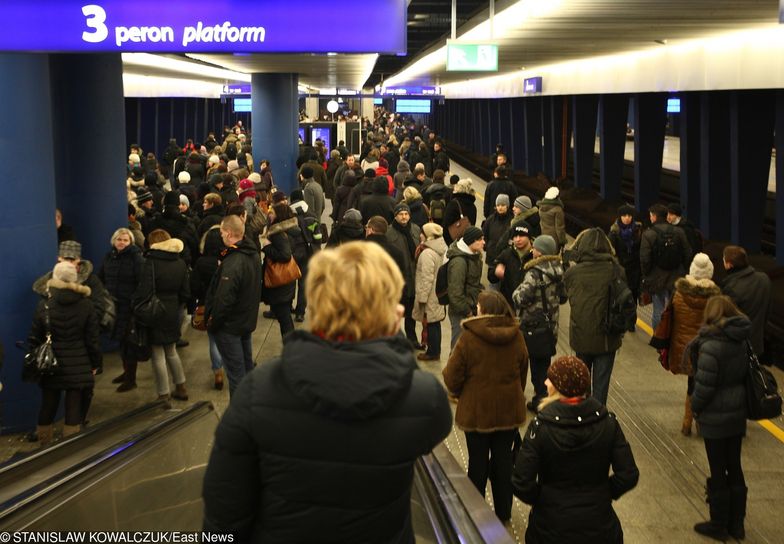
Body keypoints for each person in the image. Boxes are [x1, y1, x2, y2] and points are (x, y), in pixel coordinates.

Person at [202, 241, 453, 542]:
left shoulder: (259, 388)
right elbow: (435, 428)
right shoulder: (423, 397)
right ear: (387, 310)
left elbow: (225, 511)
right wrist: (389, 340)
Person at [512, 356, 639, 543]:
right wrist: (603, 494)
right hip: (600, 528)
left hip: (550, 529)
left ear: (559, 388)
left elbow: (521, 482)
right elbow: (628, 474)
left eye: (551, 379)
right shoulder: (608, 423)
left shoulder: (541, 427)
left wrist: (544, 500)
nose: (546, 382)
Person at [443, 290, 528, 524]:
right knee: (503, 463)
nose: (476, 310)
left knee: (477, 463)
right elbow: (523, 372)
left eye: (479, 307)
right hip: (508, 411)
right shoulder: (516, 335)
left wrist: (462, 394)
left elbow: (451, 377)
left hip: (477, 412)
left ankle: (476, 513)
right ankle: (504, 513)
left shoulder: (469, 337)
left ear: (485, 310)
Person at [689, 295, 750, 541]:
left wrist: (695, 407)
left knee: (717, 468)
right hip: (737, 412)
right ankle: (737, 525)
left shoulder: (711, 344)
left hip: (715, 416)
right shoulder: (741, 340)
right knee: (734, 465)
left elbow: (704, 386)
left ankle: (718, 523)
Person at [30, 262, 102, 445]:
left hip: (51, 363)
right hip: (79, 361)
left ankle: (44, 445)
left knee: (48, 404)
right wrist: (95, 363)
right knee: (74, 406)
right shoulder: (86, 305)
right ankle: (69, 446)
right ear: (74, 278)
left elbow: (34, 337)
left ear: (54, 278)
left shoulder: (44, 305)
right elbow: (92, 340)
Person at [652, 253, 721, 436]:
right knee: (702, 383)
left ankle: (686, 423)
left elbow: (672, 319)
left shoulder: (679, 294)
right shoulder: (715, 298)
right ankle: (699, 422)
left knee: (692, 382)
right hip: (707, 349)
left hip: (684, 349)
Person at [563, 228, 626, 405]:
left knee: (582, 383)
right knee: (601, 386)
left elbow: (567, 296)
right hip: (608, 338)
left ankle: (583, 416)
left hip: (581, 336)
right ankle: (598, 418)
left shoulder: (572, 273)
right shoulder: (617, 271)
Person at [205, 215, 262, 395]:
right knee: (246, 369)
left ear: (229, 234)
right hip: (245, 322)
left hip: (230, 327)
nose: (221, 236)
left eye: (222, 233)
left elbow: (224, 298)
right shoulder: (252, 254)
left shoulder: (234, 261)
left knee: (236, 376)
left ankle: (238, 419)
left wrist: (213, 323)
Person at [133, 229, 190, 403]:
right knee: (171, 351)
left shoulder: (149, 262)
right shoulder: (180, 262)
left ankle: (163, 394)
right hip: (173, 310)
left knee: (158, 354)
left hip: (155, 310)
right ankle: (181, 387)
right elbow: (185, 292)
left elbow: (145, 290)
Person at [513, 234, 565, 412]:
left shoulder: (534, 273)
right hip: (550, 326)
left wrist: (515, 292)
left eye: (535, 247)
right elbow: (563, 297)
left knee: (533, 366)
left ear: (540, 252)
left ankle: (540, 401)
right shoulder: (559, 269)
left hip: (532, 326)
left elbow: (521, 298)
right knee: (543, 363)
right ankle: (544, 398)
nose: (532, 249)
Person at [98, 228, 144, 392]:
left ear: (130, 242)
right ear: (114, 241)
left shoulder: (136, 258)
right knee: (121, 342)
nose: (122, 243)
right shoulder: (109, 257)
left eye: (125, 240)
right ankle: (126, 372)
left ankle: (131, 379)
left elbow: (142, 282)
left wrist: (134, 302)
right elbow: (101, 278)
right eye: (119, 239)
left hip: (129, 307)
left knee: (130, 342)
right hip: (114, 305)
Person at [640, 203, 692, 330]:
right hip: (676, 276)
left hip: (656, 278)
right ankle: (671, 337)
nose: (650, 218)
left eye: (651, 216)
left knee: (658, 309)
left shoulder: (649, 234)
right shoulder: (679, 231)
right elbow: (688, 253)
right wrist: (683, 270)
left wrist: (647, 275)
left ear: (655, 217)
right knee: (673, 308)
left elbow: (645, 259)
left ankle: (659, 339)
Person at [720, 245, 771, 360]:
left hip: (737, 349)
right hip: (757, 346)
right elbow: (767, 311)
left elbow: (727, 323)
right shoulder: (764, 279)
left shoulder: (731, 289)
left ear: (728, 265)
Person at [386, 203, 422, 349]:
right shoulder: (389, 232)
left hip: (413, 275)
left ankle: (412, 339)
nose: (404, 217)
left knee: (411, 311)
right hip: (398, 277)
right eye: (401, 214)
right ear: (395, 215)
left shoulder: (415, 229)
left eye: (406, 214)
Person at [261, 203, 298, 338]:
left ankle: (291, 351)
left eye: (272, 212)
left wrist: (266, 246)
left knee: (284, 319)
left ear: (279, 215)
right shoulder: (291, 229)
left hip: (280, 282)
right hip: (287, 279)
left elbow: (285, 255)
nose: (269, 214)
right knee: (285, 317)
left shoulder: (277, 233)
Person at [413, 223, 448, 361]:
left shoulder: (427, 253)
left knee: (431, 323)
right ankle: (435, 350)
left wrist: (422, 297)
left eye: (422, 233)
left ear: (428, 236)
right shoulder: (441, 249)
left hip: (429, 295)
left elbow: (426, 277)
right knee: (435, 322)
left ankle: (432, 352)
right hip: (437, 292)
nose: (420, 235)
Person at [446, 226, 485, 349]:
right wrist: (468, 312)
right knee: (458, 348)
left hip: (471, 308)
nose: (483, 242)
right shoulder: (459, 263)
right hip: (461, 313)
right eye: (480, 239)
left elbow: (474, 283)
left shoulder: (475, 256)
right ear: (471, 241)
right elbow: (455, 294)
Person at [608, 204, 643, 303]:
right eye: (624, 215)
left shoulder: (638, 230)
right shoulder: (614, 232)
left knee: (633, 298)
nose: (627, 218)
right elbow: (610, 251)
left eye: (629, 215)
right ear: (620, 217)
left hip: (635, 271)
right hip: (621, 270)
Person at [482, 194, 513, 287]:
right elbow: (484, 234)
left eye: (503, 205)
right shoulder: (490, 219)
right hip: (492, 256)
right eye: (498, 205)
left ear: (507, 206)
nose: (500, 207)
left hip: (505, 259)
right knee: (492, 283)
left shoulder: (511, 221)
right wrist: (486, 246)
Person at [443, 179, 478, 246]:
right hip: (466, 242)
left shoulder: (453, 204)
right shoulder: (473, 207)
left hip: (452, 242)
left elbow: (446, 224)